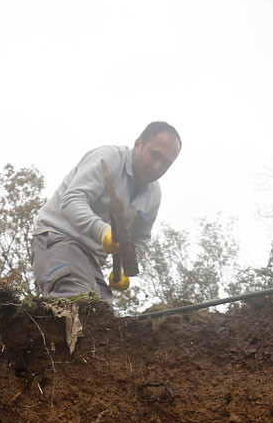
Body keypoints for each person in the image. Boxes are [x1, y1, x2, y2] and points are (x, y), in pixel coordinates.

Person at [31, 122, 181, 304]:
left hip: (90, 259)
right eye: (155, 155)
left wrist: (126, 268)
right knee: (79, 301)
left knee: (104, 317)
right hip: (57, 239)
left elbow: (139, 239)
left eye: (166, 163)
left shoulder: (153, 195)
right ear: (138, 144)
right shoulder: (108, 159)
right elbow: (71, 201)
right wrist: (102, 231)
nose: (158, 166)